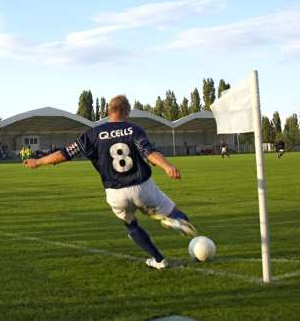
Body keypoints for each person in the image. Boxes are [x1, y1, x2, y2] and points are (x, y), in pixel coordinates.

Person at [24, 95, 197, 270]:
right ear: (127, 111)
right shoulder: (133, 130)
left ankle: (159, 260)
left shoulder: (92, 134)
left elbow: (66, 153)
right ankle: (175, 221)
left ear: (108, 112)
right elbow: (148, 151)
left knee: (130, 224)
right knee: (175, 212)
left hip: (115, 192)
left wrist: (38, 162)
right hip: (142, 187)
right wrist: (167, 167)